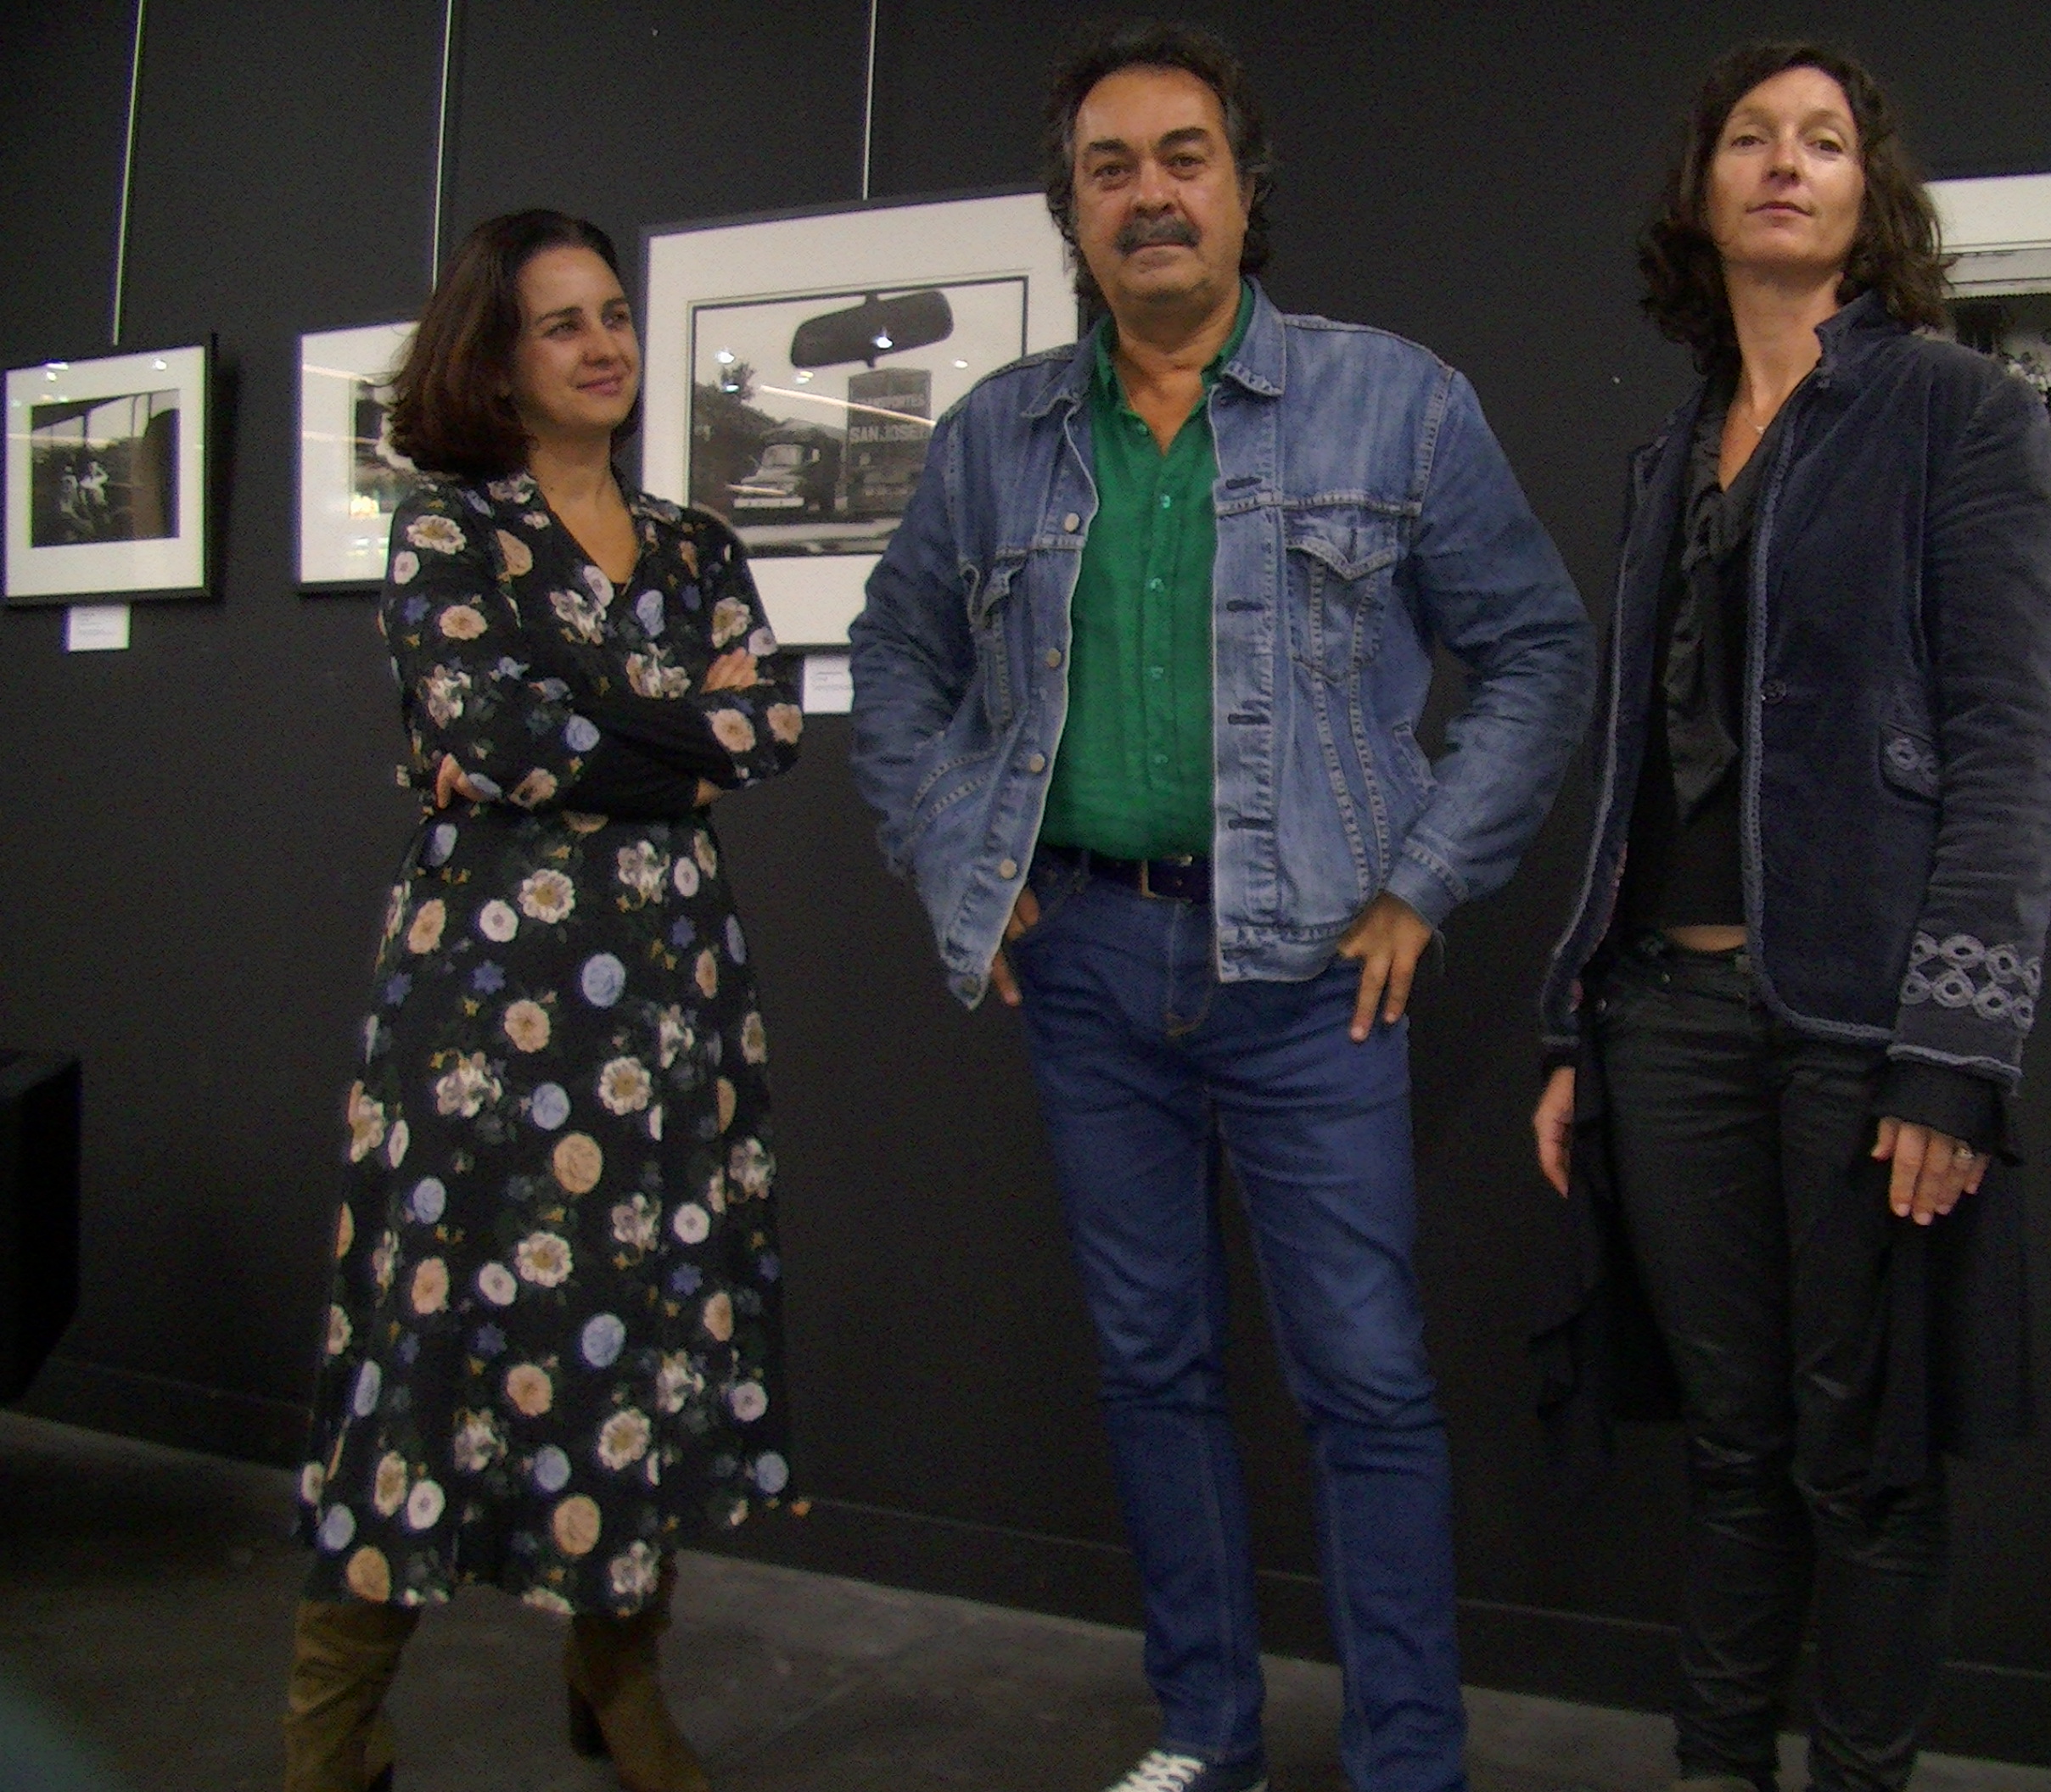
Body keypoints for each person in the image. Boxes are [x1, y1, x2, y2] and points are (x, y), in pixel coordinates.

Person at [848, 23, 1592, 1792]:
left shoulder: (1391, 402)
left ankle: (1405, 1758)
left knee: (1364, 1382)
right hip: (1090, 971)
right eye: (1109, 168)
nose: (1149, 193)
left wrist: (1427, 877)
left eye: (1184, 156)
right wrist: (966, 853)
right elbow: (892, 661)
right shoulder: (993, 439)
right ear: (1071, 216)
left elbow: (1539, 654)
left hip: (1311, 978)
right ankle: (1205, 1734)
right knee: (1152, 1367)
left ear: (1249, 193)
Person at [1528, 42, 2051, 1792]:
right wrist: (1571, 1020)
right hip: (1667, 1021)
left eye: (1821, 140)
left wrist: (1958, 1054)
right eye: (1748, 137)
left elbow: (2009, 753)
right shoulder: (1665, 458)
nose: (1781, 161)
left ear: (1866, 195)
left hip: (1859, 1029)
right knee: (1732, 1451)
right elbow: (1631, 767)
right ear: (1701, 189)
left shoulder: (1954, 414)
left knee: (1865, 1464)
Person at [285, 210, 807, 1792]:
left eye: (613, 316)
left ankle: (618, 1681)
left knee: (647, 1325)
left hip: (668, 1009)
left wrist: (577, 722)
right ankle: (328, 1732)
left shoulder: (701, 541)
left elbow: (769, 728)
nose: (604, 346)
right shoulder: (450, 529)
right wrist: (665, 737)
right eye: (561, 324)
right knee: (428, 1340)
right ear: (497, 361)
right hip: (483, 1016)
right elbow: (483, 722)